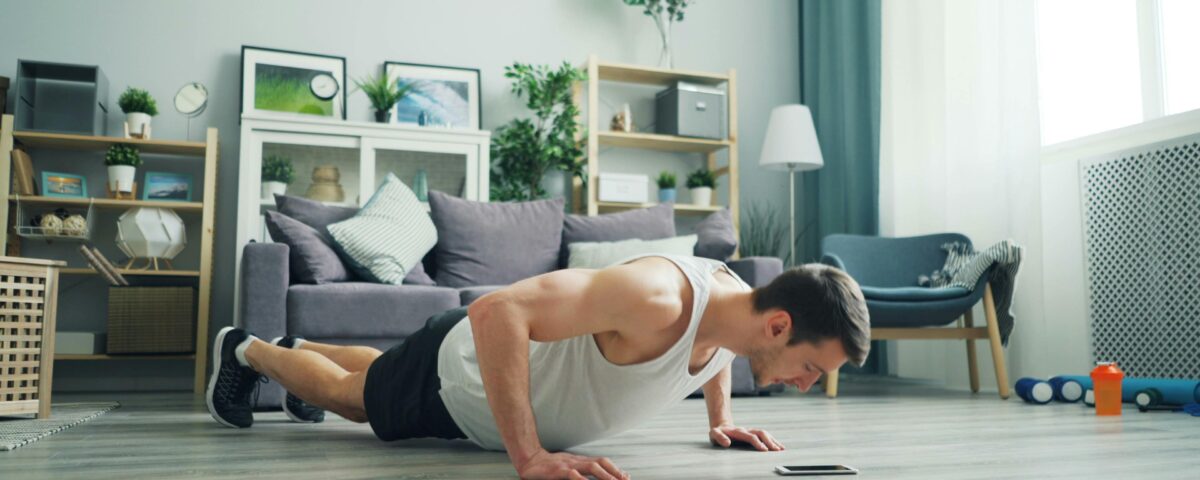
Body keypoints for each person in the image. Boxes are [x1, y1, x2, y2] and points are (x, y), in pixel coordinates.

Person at [207, 253, 870, 480]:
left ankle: (292, 350)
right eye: (812, 368)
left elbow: (716, 347)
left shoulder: (735, 309)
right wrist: (528, 456)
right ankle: (247, 349)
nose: (809, 386)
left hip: (457, 361)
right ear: (779, 325)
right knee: (355, 398)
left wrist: (722, 418)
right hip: (466, 382)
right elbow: (498, 313)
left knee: (380, 369)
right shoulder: (655, 296)